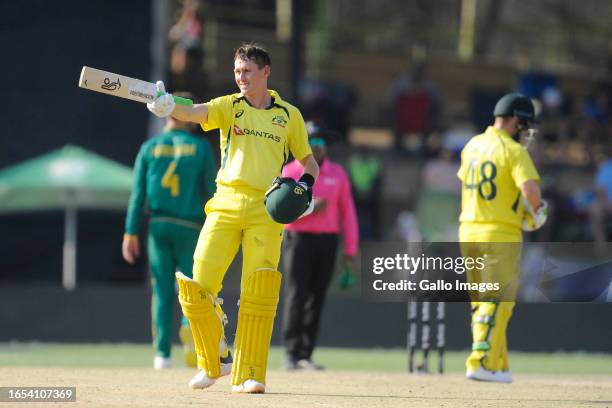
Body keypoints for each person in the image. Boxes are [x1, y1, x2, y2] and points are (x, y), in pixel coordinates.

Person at [146, 43, 319, 394]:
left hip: (267, 209)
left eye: (247, 71)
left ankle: (251, 372)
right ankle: (215, 362)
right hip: (225, 202)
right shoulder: (230, 106)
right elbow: (195, 111)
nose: (240, 78)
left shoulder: (288, 115)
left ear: (265, 72)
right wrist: (170, 106)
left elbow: (309, 163)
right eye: (237, 71)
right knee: (198, 283)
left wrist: (305, 191)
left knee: (259, 288)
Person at [457, 93, 547, 383]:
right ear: (517, 120)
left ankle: (497, 363)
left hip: (469, 229)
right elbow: (530, 191)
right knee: (497, 301)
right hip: (500, 233)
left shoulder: (472, 145)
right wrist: (537, 211)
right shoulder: (514, 151)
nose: (527, 131)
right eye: (526, 124)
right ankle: (480, 362)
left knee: (485, 302)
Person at [122, 94, 217, 370]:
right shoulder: (200, 148)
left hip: (158, 226)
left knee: (162, 290)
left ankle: (162, 355)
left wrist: (130, 233)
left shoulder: (149, 147)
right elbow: (210, 193)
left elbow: (138, 195)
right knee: (192, 288)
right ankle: (192, 335)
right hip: (190, 226)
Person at [281, 122, 359, 370]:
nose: (316, 149)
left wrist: (350, 249)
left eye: (320, 144)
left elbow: (348, 213)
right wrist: (310, 206)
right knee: (296, 295)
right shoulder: (290, 171)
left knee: (317, 297)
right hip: (298, 240)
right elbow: (280, 211)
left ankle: (306, 353)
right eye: (311, 144)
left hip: (327, 241)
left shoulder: (338, 174)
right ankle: (292, 353)